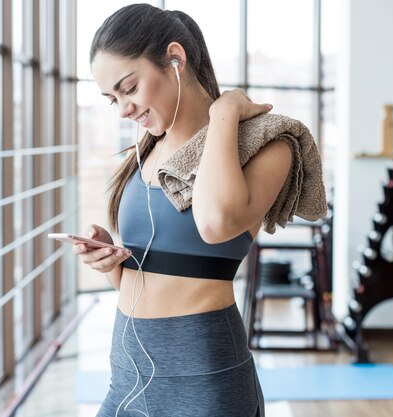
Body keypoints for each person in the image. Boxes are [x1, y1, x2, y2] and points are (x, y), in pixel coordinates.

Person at [75, 4, 294, 416]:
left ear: (175, 59)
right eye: (112, 99)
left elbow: (214, 224)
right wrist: (109, 262)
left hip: (204, 378)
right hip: (126, 373)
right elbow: (139, 285)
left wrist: (224, 112)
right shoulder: (144, 154)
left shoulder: (266, 144)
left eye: (130, 88)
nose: (123, 109)